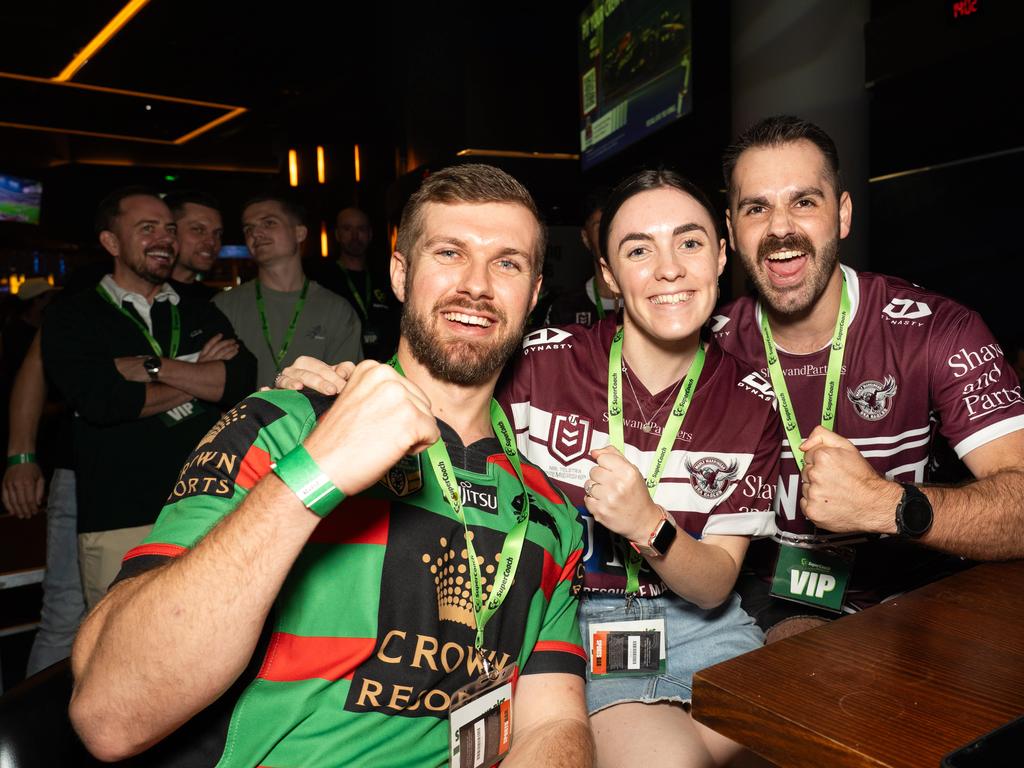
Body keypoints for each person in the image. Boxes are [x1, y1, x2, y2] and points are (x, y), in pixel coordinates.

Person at [69, 164, 593, 768]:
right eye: (449, 253)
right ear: (401, 274)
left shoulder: (546, 510)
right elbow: (110, 714)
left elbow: (552, 722)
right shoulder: (283, 427)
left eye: (507, 263)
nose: (476, 285)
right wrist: (316, 472)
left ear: (533, 294)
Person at [281, 169, 781, 767]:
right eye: (639, 249)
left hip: (709, 628)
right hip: (578, 624)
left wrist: (649, 524)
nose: (669, 268)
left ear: (722, 254)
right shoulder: (540, 363)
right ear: (607, 275)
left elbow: (716, 583)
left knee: (804, 746)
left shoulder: (754, 402)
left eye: (690, 242)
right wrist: (348, 384)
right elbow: (440, 379)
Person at [714, 115, 1024, 639]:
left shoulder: (936, 330)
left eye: (805, 202)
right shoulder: (711, 347)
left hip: (918, 596)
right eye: (757, 207)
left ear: (843, 215)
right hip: (776, 603)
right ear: (731, 231)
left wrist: (887, 505)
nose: (781, 227)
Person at [41, 186, 257, 608]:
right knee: (118, 654)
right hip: (119, 514)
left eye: (169, 229)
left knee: (206, 640)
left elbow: (238, 381)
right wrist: (198, 374)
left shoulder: (198, 310)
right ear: (111, 242)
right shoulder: (73, 316)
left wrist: (152, 367)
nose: (165, 239)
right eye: (147, 229)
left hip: (203, 508)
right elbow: (103, 401)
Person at [214, 196, 363, 387]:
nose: (256, 233)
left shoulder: (337, 311)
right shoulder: (223, 306)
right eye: (248, 228)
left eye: (268, 223)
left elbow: (345, 391)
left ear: (299, 233)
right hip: (243, 417)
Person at [306, 205, 401, 361]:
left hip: (384, 366)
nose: (355, 236)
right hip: (338, 366)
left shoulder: (387, 277)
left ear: (370, 234)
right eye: (347, 229)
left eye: (361, 229)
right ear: (337, 234)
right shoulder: (323, 279)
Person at [540, 187, 618, 327]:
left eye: (615, 226)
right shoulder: (565, 309)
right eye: (600, 227)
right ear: (586, 238)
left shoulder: (647, 302)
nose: (608, 236)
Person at [165, 190, 225, 303]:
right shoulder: (140, 295)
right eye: (198, 230)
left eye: (217, 234)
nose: (212, 242)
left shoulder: (216, 302)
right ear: (170, 231)